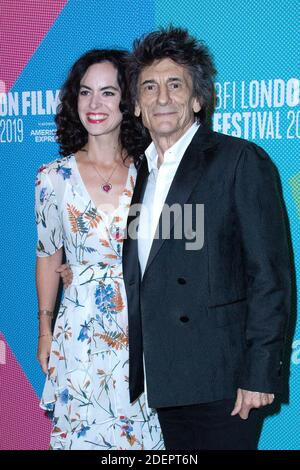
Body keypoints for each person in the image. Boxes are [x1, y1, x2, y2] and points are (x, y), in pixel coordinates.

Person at [59, 28, 291, 450]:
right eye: (149, 86)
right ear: (138, 107)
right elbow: (152, 264)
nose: (161, 97)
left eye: (174, 84)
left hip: (224, 384)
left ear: (198, 99)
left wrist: (261, 372)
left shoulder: (239, 160)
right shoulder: (141, 174)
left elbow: (270, 277)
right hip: (163, 382)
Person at [35, 49, 163, 450]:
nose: (95, 104)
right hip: (79, 331)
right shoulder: (52, 178)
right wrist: (44, 329)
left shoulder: (153, 172)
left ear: (128, 101)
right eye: (86, 93)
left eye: (108, 92)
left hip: (142, 331)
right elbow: (47, 256)